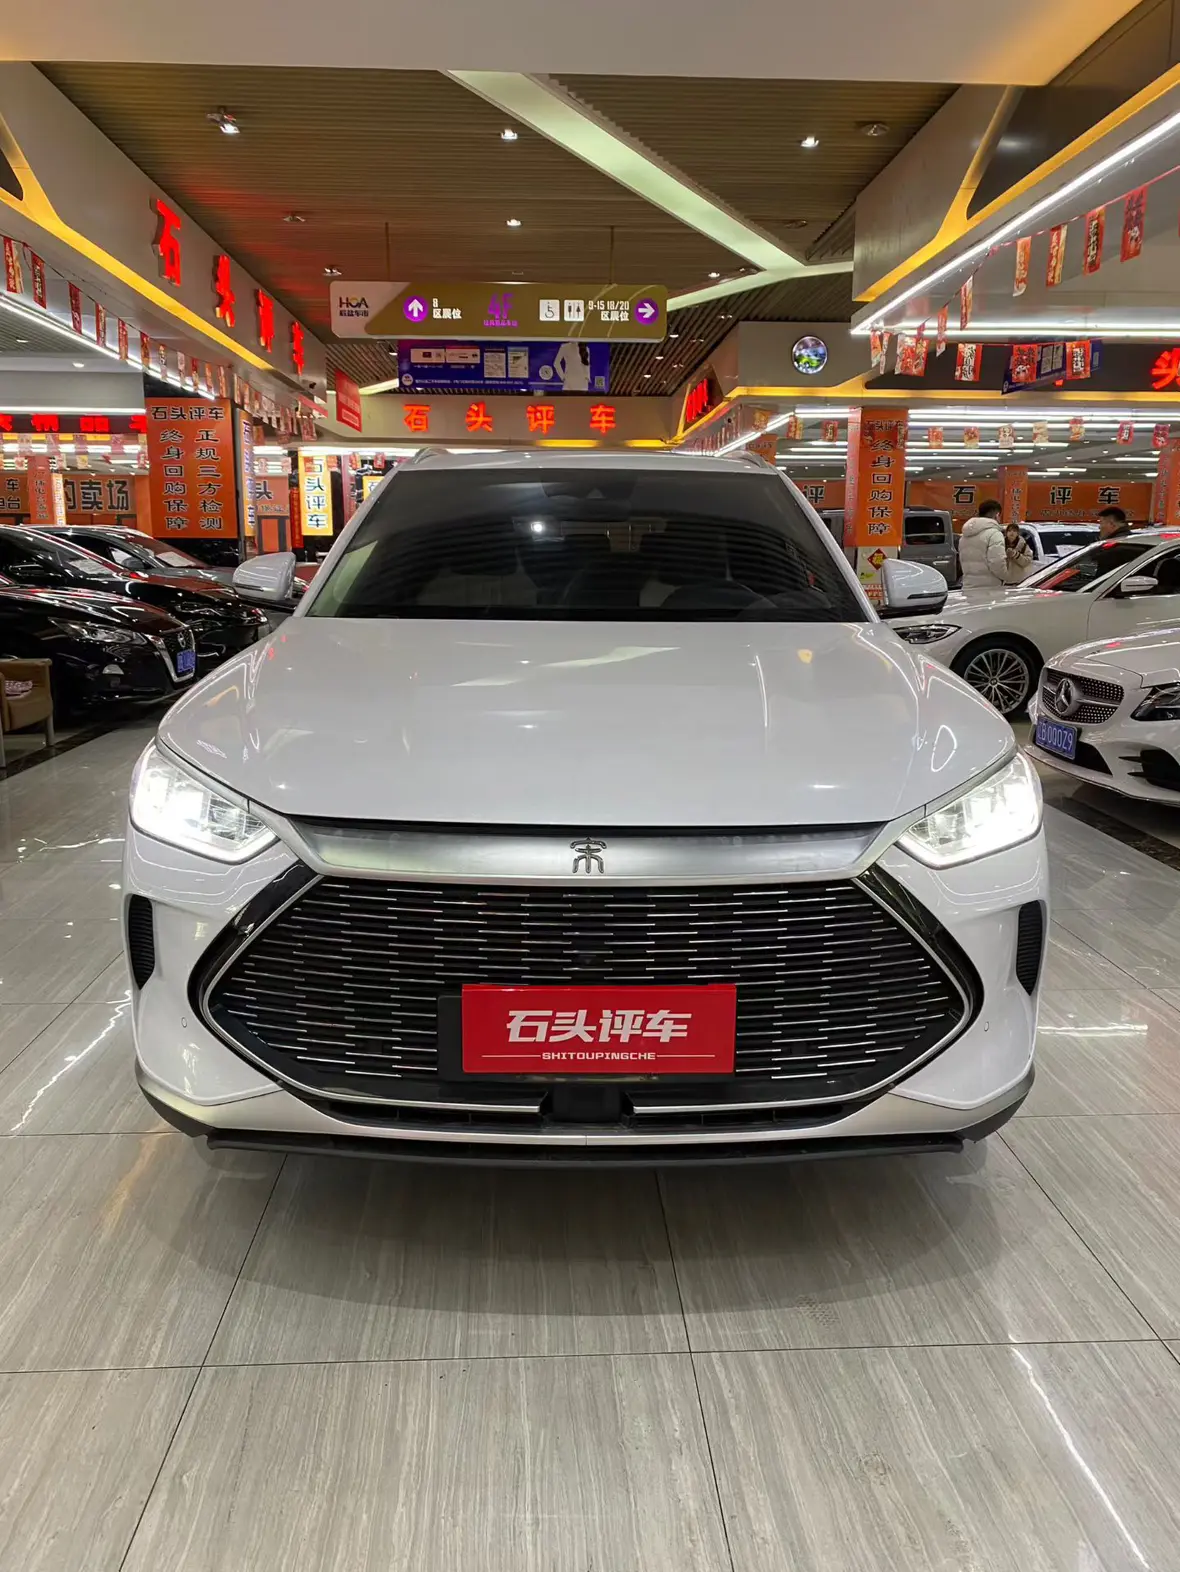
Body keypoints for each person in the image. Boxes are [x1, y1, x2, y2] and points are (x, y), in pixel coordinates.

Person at [958, 500, 1009, 594]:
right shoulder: (994, 534)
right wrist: (1006, 577)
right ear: (997, 515)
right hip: (990, 589)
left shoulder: (964, 536)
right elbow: (997, 562)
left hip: (968, 586)